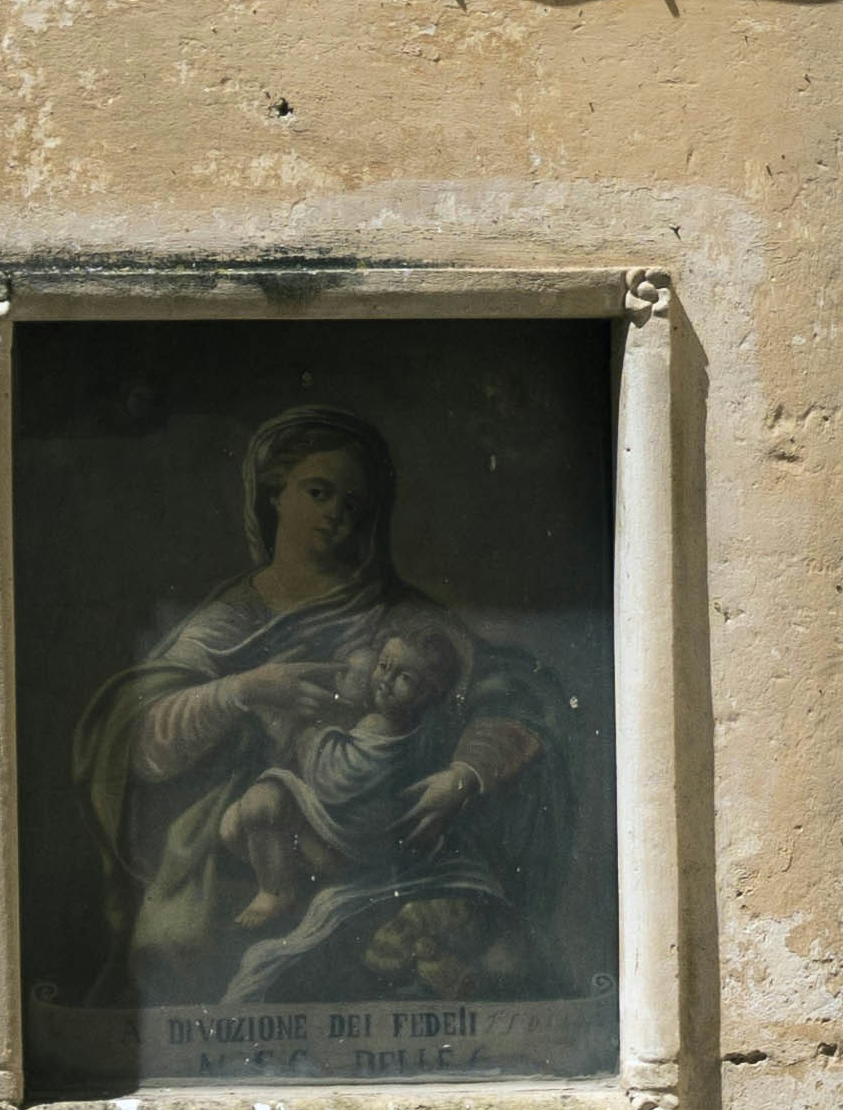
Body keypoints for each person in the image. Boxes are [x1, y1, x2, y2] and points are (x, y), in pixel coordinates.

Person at [69, 403, 576, 1026]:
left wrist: (463, 776)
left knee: (481, 955)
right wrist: (244, 689)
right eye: (319, 491)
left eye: (357, 502)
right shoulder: (232, 619)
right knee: (181, 945)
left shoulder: (404, 618)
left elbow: (507, 694)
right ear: (275, 498)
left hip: (393, 850)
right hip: (260, 851)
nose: (339, 512)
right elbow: (136, 739)